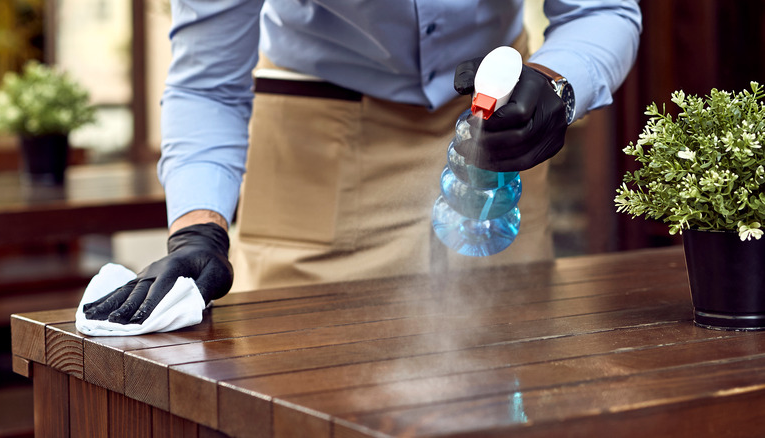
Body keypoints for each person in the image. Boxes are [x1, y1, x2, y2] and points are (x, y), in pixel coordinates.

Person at [83, 0, 642, 324]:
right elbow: (208, 85)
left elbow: (601, 10)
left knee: (509, 371)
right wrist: (196, 231)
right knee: (293, 384)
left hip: (493, 132)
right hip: (319, 142)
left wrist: (553, 84)